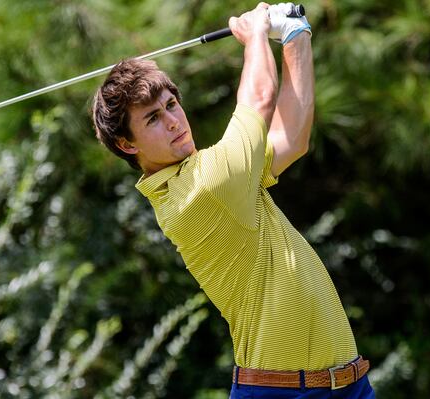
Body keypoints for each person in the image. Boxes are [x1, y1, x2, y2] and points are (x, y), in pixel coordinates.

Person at [92, 2, 375, 398]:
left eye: (171, 104)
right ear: (126, 144)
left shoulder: (219, 172)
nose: (173, 120)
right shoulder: (201, 190)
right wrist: (255, 32)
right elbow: (260, 97)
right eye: (152, 119)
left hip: (350, 386)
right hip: (281, 394)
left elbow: (292, 137)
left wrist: (294, 35)